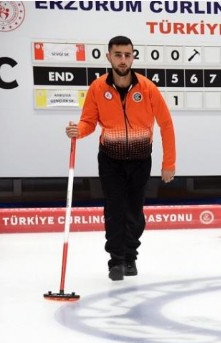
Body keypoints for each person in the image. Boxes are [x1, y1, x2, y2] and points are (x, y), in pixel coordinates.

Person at [65, 35, 176, 281]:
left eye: (127, 55)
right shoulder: (97, 88)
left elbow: (166, 125)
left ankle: (130, 258)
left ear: (133, 57)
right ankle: (115, 261)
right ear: (109, 57)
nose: (123, 60)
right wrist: (78, 131)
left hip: (140, 159)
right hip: (110, 160)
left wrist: (168, 164)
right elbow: (88, 122)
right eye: (118, 55)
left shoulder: (147, 88)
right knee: (114, 209)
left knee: (134, 211)